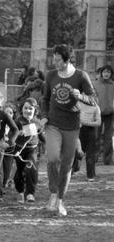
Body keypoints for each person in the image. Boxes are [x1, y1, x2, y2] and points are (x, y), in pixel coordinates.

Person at [40, 44, 97, 216]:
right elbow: (45, 99)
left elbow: (94, 100)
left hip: (72, 126)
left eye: (58, 60)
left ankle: (60, 201)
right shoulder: (50, 76)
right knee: (52, 158)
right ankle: (52, 193)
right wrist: (43, 115)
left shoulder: (81, 76)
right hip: (53, 123)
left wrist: (81, 97)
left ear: (67, 59)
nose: (55, 63)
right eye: (54, 59)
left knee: (66, 164)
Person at [13, 97, 45, 204]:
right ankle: (20, 192)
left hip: (32, 149)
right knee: (19, 171)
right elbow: (11, 134)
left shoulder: (37, 122)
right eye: (25, 108)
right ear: (21, 109)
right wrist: (18, 133)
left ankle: (30, 193)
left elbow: (41, 136)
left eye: (30, 108)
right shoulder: (18, 121)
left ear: (35, 110)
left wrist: (48, 143)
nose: (28, 111)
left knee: (30, 167)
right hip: (19, 150)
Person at [93, 65, 114, 165]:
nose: (106, 74)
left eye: (108, 72)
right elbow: (91, 98)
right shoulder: (95, 84)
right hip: (97, 114)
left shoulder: (113, 85)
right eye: (105, 72)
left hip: (110, 114)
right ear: (101, 73)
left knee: (108, 137)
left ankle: (107, 159)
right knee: (96, 136)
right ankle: (94, 157)